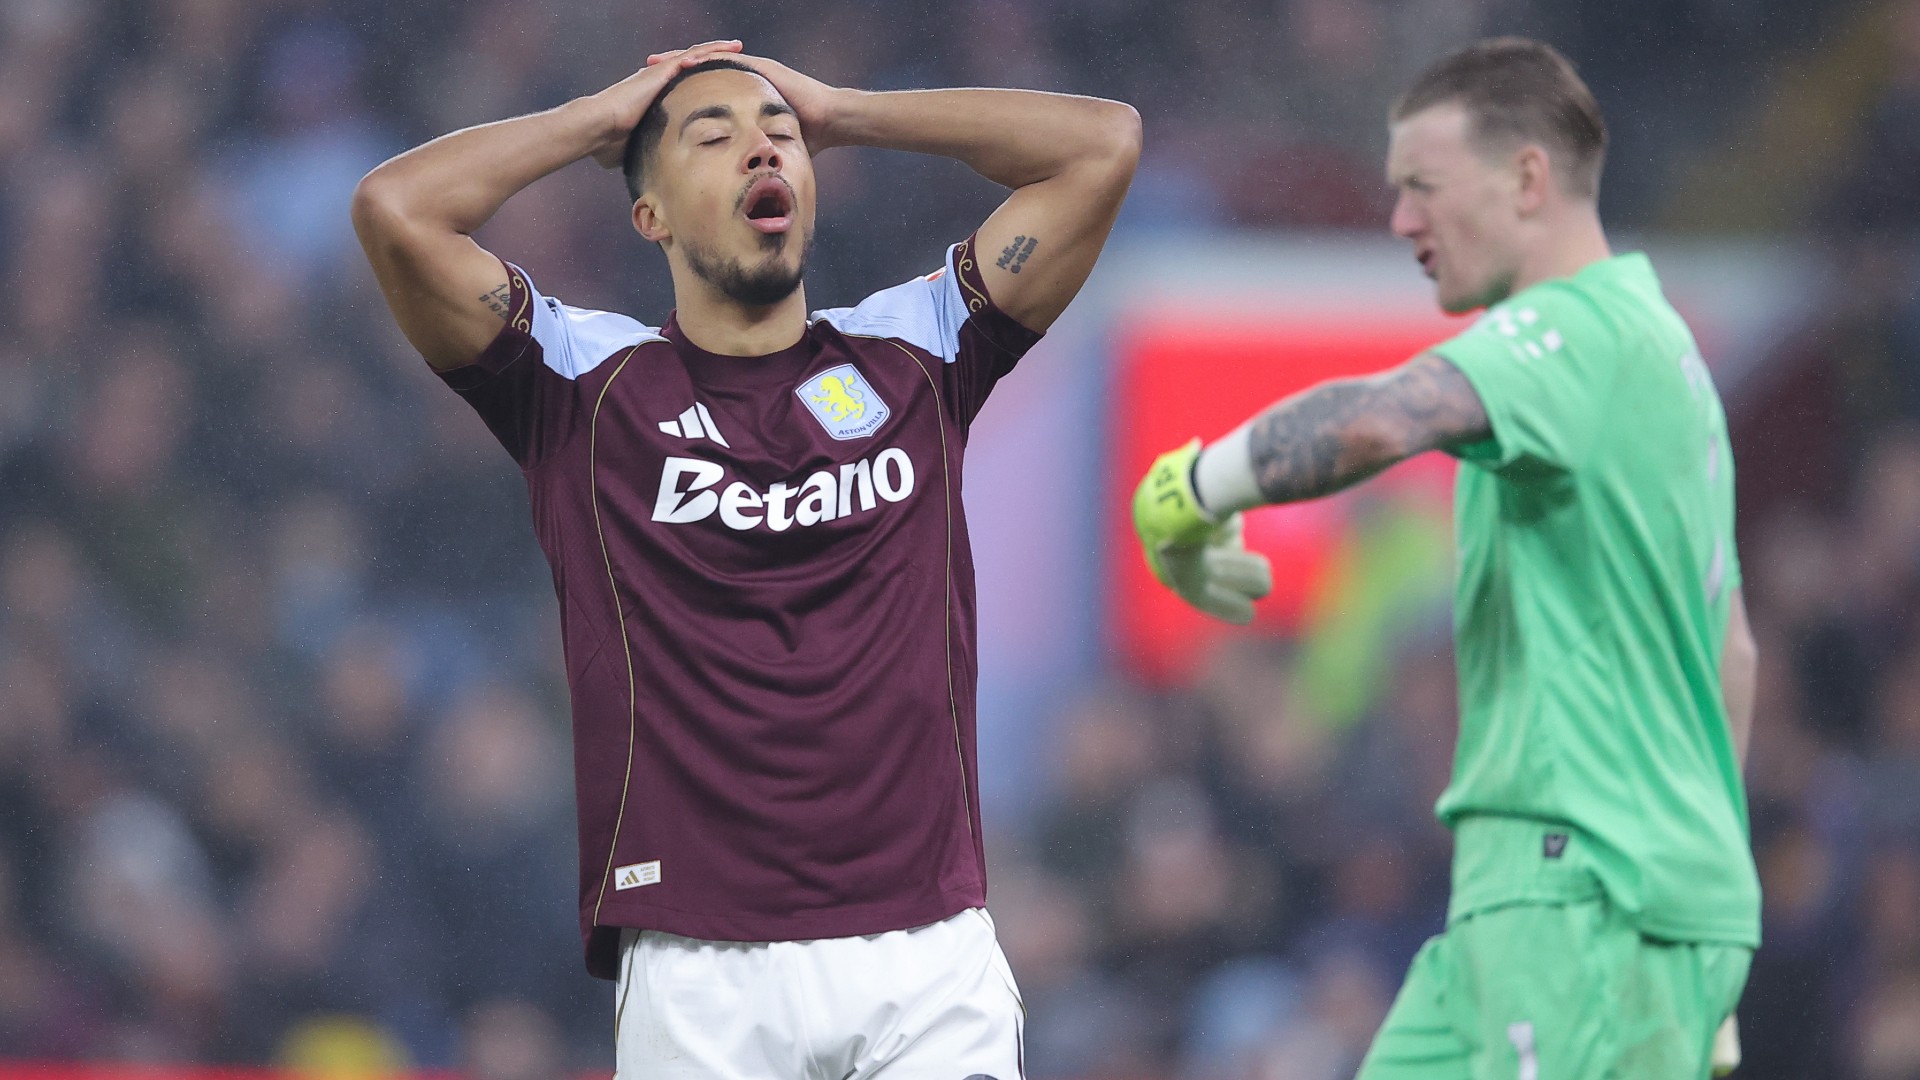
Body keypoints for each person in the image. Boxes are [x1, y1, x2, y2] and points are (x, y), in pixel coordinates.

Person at [352, 40, 1140, 1078]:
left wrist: (846, 109)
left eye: (780, 137)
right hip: (697, 971)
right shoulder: (582, 387)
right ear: (653, 216)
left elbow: (1102, 145)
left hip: (924, 955)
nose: (761, 151)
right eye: (712, 138)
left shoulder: (920, 351)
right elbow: (395, 210)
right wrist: (600, 119)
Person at [1131, 38, 1758, 1079]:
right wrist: (1708, 894)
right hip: (1554, 904)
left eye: (1423, 187)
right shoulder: (1657, 353)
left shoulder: (1579, 335)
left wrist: (1186, 495)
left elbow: (1379, 422)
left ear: (1527, 178)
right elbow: (1728, 654)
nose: (1401, 222)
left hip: (1587, 899)